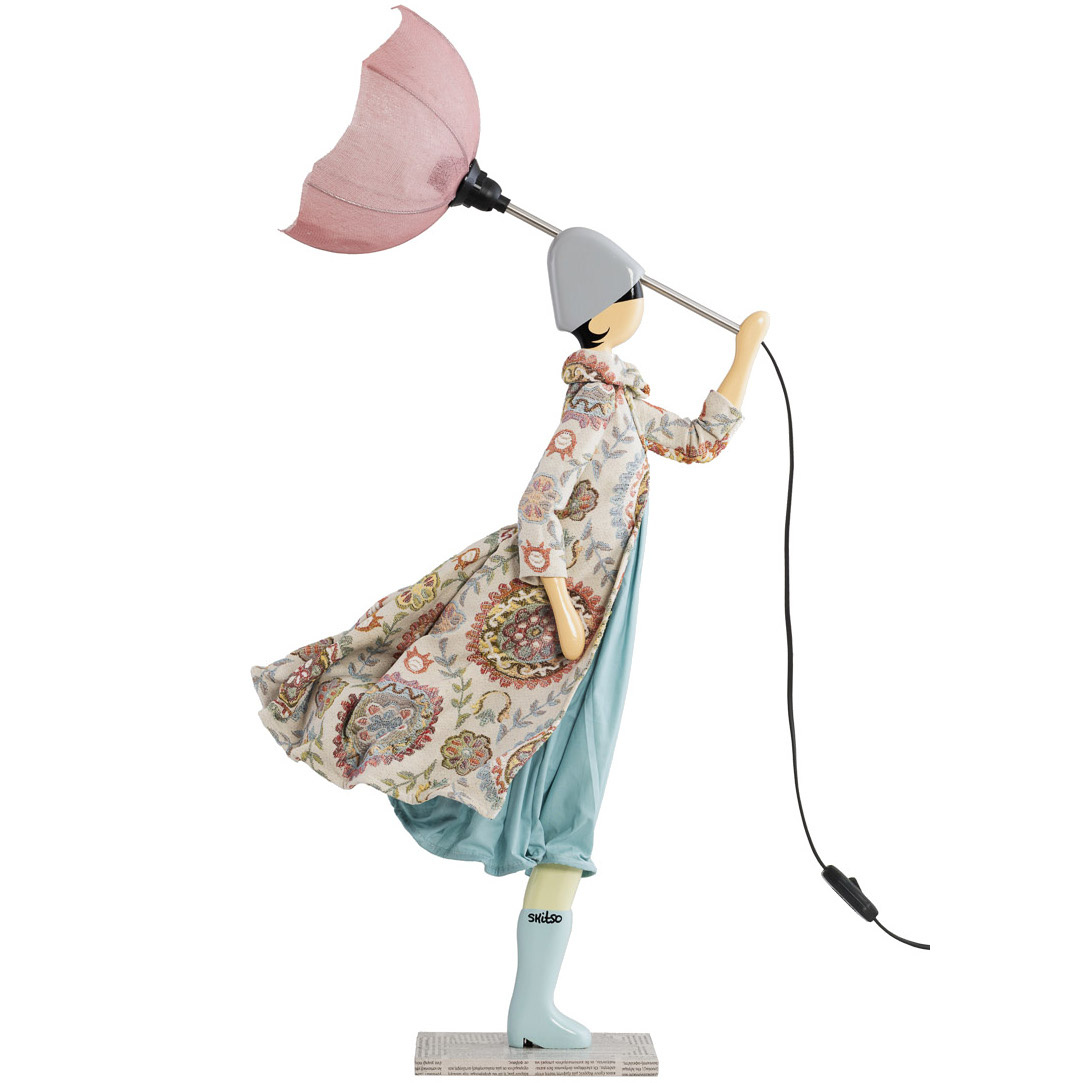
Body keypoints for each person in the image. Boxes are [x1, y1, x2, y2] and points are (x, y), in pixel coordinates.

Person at [251, 226, 768, 1048]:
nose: (640, 307)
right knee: (571, 793)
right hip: (571, 619)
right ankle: (531, 1007)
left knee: (574, 795)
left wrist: (742, 356)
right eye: (631, 297)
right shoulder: (592, 402)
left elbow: (699, 441)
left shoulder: (620, 400)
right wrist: (560, 609)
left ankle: (533, 1006)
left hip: (601, 611)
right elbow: (537, 506)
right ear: (602, 314)